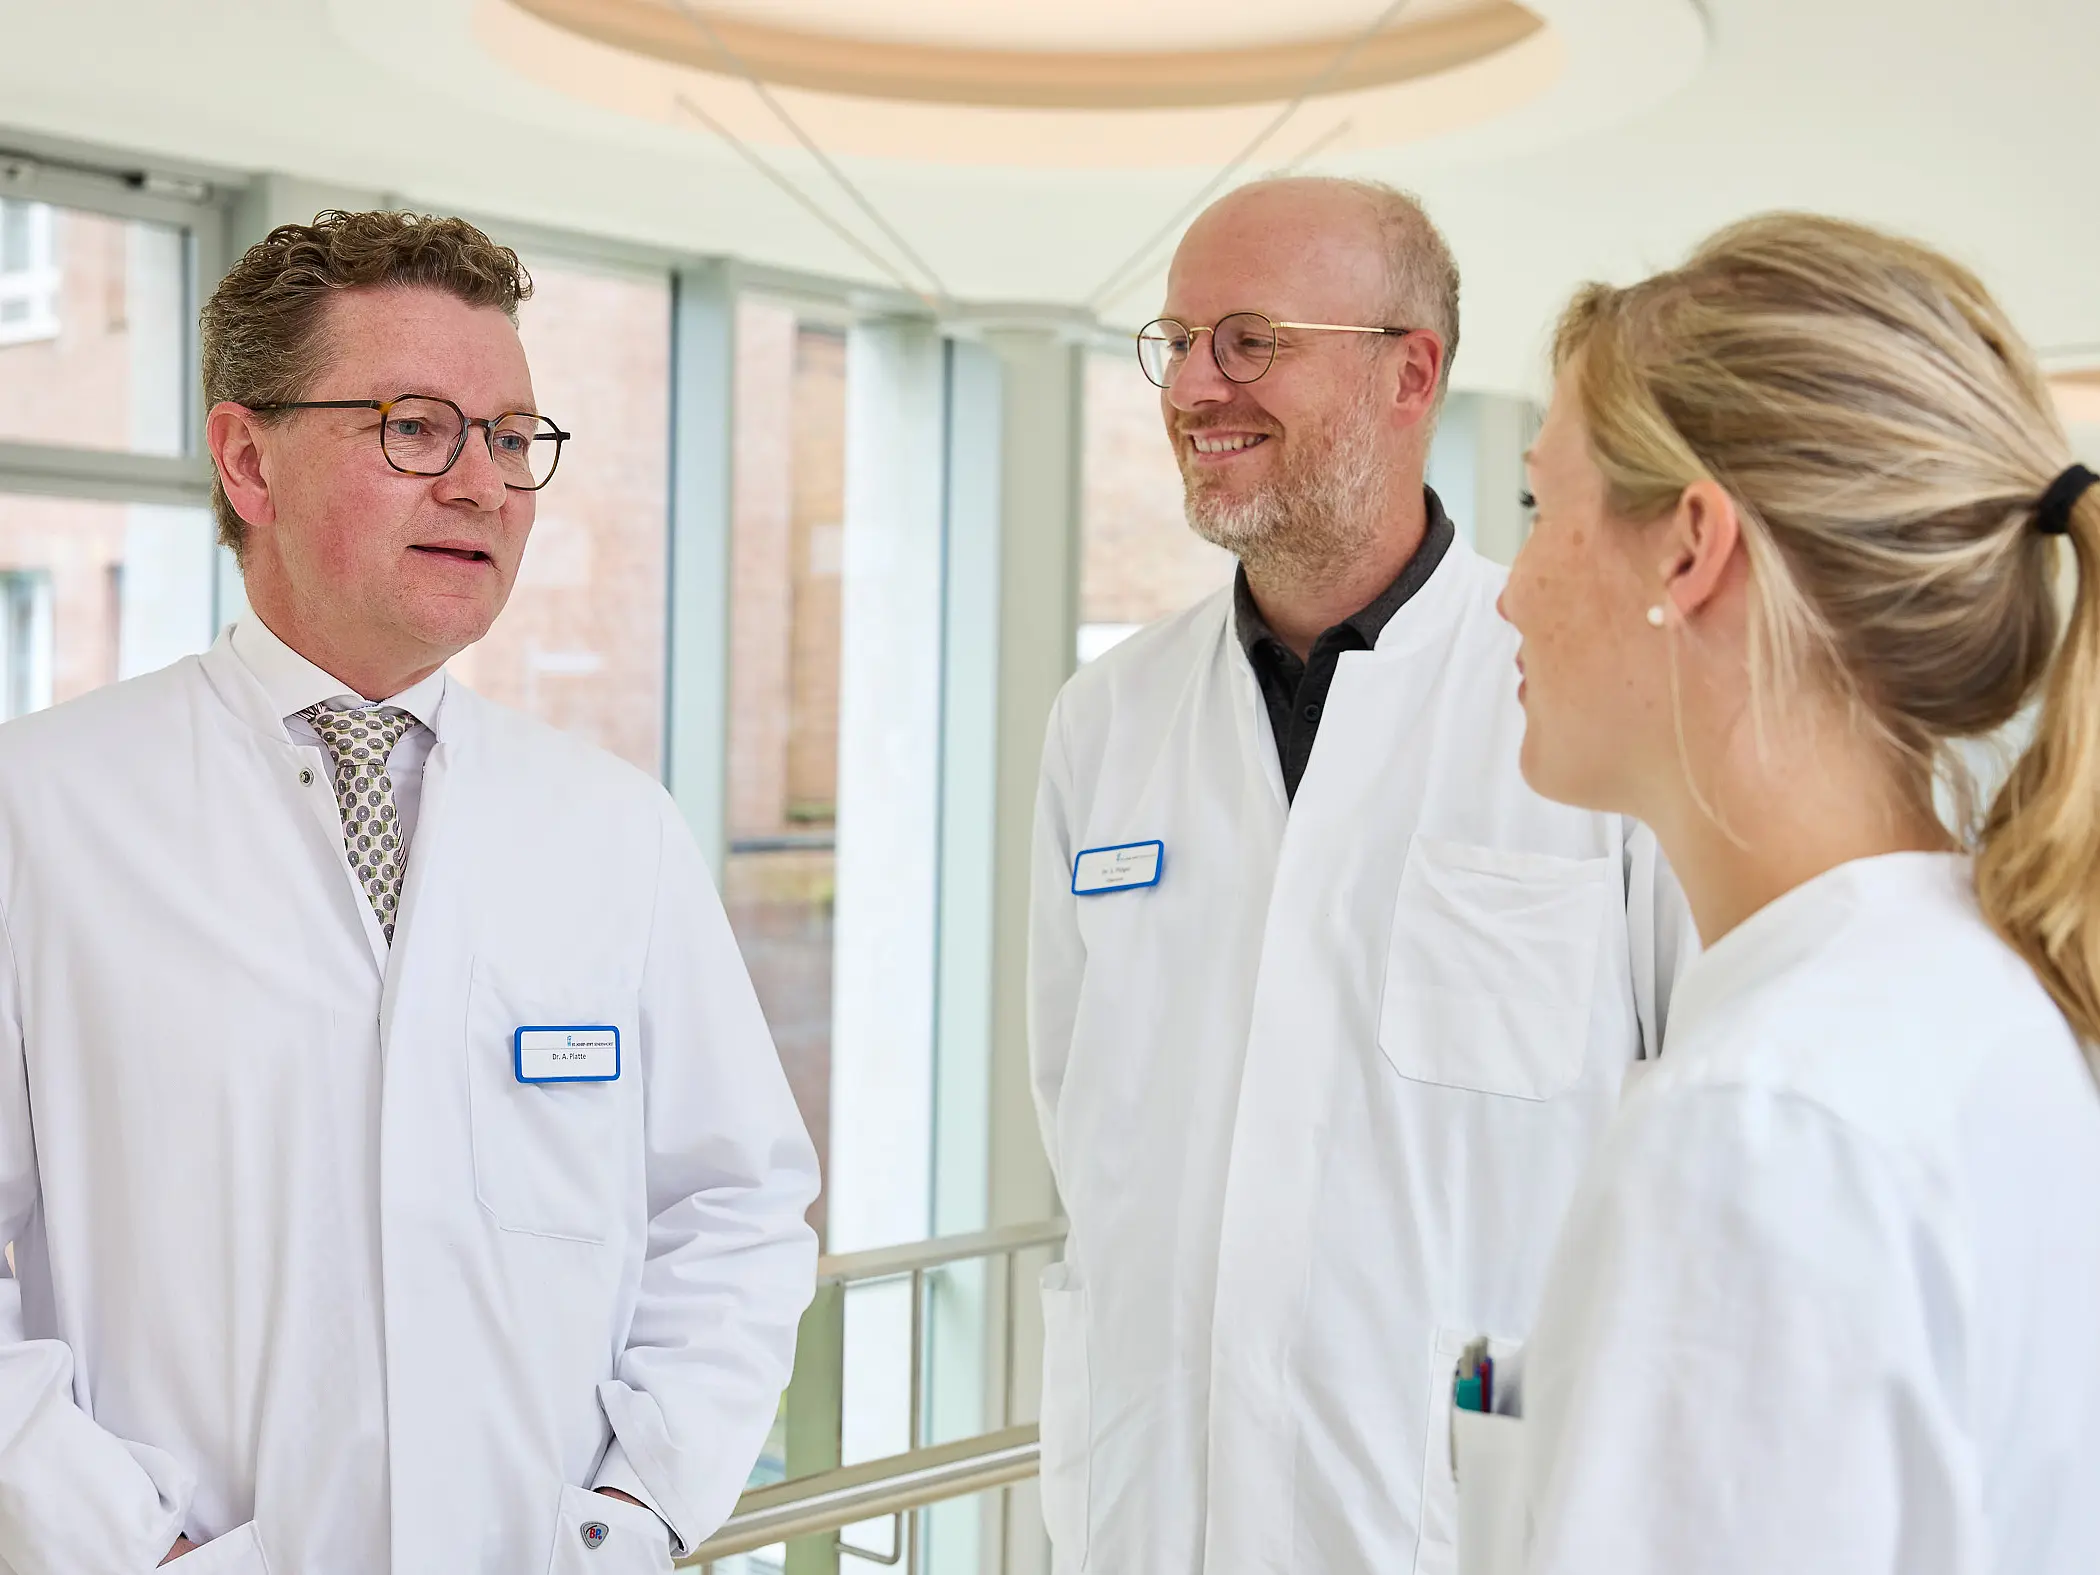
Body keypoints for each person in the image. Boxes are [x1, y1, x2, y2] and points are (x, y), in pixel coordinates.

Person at [0, 211, 820, 1573]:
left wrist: (640, 1511)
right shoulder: (38, 808)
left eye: (512, 437)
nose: (485, 485)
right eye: (416, 428)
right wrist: (123, 1545)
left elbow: (730, 1208)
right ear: (247, 458)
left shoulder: (616, 828)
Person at [1026, 176, 1694, 1575]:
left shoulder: (1590, 704)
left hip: (1455, 1527)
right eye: (1178, 339)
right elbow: (1078, 1111)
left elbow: (1688, 1172)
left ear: (1412, 371)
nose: (1195, 386)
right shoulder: (1110, 720)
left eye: (1251, 339)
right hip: (1146, 1516)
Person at [1499, 213, 2100, 1572]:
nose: (1511, 589)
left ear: (1689, 548)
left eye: (1544, 508)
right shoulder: (1988, 1000)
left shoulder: (1758, 1128)